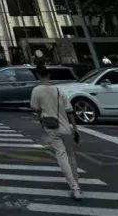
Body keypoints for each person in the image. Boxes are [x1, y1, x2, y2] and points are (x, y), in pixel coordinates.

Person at [30, 64, 82, 200]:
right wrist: (75, 128)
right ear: (49, 75)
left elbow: (36, 109)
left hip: (51, 127)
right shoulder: (59, 90)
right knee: (71, 156)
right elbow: (69, 110)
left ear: (38, 75)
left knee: (61, 156)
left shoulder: (36, 90)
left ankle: (74, 187)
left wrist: (41, 123)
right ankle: (76, 183)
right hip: (66, 127)